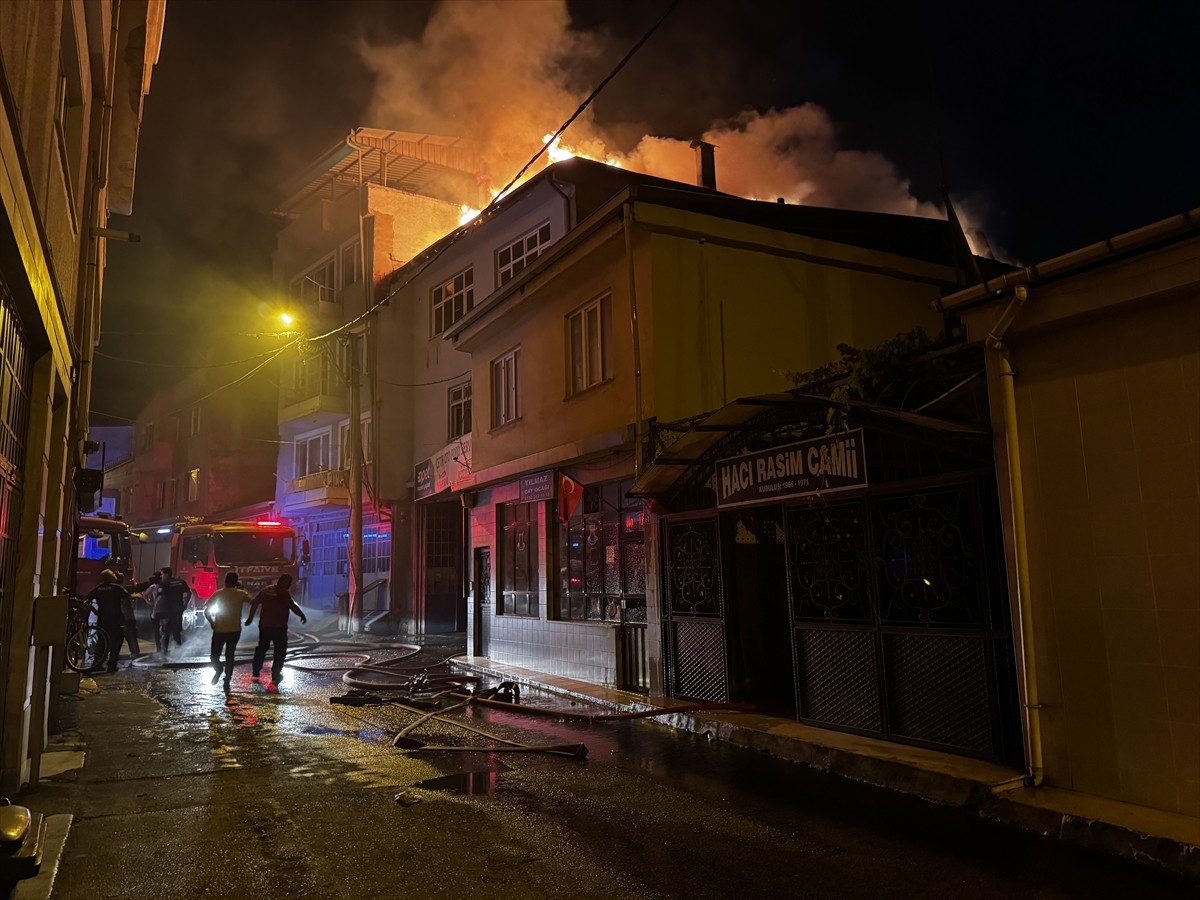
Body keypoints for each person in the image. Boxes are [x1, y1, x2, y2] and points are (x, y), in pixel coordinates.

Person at [245, 574, 306, 692]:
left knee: (262, 648)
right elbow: (292, 606)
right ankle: (275, 675)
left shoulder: (266, 590)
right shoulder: (283, 593)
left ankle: (256, 672)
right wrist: (301, 615)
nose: (289, 585)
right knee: (280, 650)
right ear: (285, 583)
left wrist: (250, 618)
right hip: (279, 627)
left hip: (265, 626)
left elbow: (255, 603)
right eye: (289, 583)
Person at [205, 571, 250, 691]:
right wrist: (250, 618)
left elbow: (206, 610)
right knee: (230, 655)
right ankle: (227, 678)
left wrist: (212, 622)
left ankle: (218, 669)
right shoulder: (241, 594)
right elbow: (253, 601)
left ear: (225, 581)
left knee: (214, 656)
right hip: (235, 630)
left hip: (219, 630)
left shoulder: (218, 594)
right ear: (236, 581)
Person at [86, 569, 129, 673]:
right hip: (116, 619)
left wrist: (95, 611)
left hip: (103, 620)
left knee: (102, 642)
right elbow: (127, 598)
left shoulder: (98, 589)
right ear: (112, 577)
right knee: (116, 642)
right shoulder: (117, 588)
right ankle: (112, 665)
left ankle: (97, 664)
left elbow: (86, 600)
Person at [157, 567, 192, 657]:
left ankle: (163, 653)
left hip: (167, 611)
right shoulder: (180, 581)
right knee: (177, 631)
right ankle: (179, 652)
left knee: (165, 633)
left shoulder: (164, 583)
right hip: (178, 610)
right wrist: (185, 604)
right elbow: (189, 593)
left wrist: (155, 610)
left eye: (162, 574)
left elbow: (161, 597)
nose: (161, 576)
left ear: (167, 574)